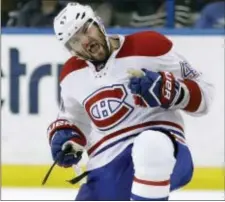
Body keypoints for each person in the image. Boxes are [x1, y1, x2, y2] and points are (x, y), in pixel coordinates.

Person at [47, 2, 214, 200]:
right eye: (74, 41)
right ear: (71, 50)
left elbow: (205, 93)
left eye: (86, 29)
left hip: (166, 150)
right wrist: (67, 139)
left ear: (99, 23)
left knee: (150, 145)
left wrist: (171, 91)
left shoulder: (150, 46)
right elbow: (73, 120)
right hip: (106, 166)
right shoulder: (71, 74)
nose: (85, 41)